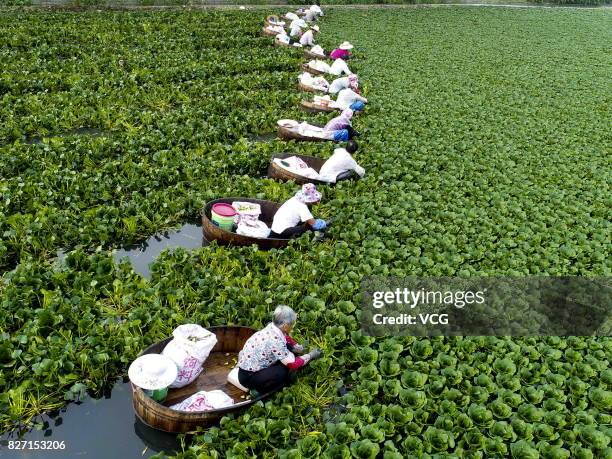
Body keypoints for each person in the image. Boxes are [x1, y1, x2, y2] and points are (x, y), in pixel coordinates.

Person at [237, 306, 322, 393]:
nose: (293, 326)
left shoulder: (272, 327)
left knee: (288, 350)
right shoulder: (276, 341)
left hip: (250, 366)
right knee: (282, 372)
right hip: (248, 377)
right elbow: (292, 364)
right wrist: (311, 355)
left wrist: (296, 346)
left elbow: (285, 338)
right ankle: (259, 390)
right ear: (285, 326)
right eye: (292, 324)